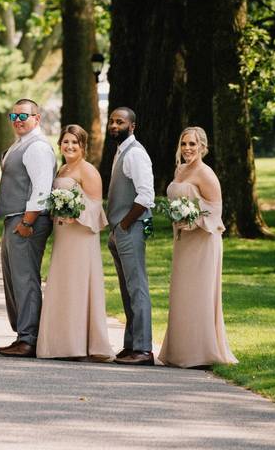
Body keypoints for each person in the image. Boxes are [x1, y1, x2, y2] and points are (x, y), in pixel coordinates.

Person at [158, 127, 237, 368]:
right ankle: (179, 351)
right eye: (184, 144)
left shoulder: (206, 174)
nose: (187, 149)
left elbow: (215, 211)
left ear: (202, 147)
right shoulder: (179, 170)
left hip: (203, 241)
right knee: (182, 293)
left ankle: (201, 353)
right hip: (183, 242)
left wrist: (194, 222)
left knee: (200, 293)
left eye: (192, 144)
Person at [36, 125, 113, 362]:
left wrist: (73, 213)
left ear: (83, 146)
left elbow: (95, 206)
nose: (69, 146)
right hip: (63, 235)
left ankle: (80, 344)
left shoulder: (88, 170)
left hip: (80, 236)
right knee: (63, 284)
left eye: (74, 143)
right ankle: (61, 342)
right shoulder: (62, 169)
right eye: (65, 142)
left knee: (78, 285)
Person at [0, 98, 56, 358]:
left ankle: (29, 338)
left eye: (24, 116)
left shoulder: (38, 147)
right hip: (15, 218)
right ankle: (22, 333)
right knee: (14, 279)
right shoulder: (19, 145)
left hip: (27, 221)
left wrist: (27, 222)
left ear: (37, 118)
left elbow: (41, 188)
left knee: (25, 279)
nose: (18, 121)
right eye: (14, 117)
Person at [105, 107, 156, 366]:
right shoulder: (120, 151)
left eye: (120, 122)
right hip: (120, 229)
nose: (114, 125)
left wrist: (124, 224)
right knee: (127, 289)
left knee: (137, 288)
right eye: (112, 121)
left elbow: (146, 195)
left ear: (132, 126)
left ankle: (144, 349)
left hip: (131, 228)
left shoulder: (135, 154)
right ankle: (131, 344)